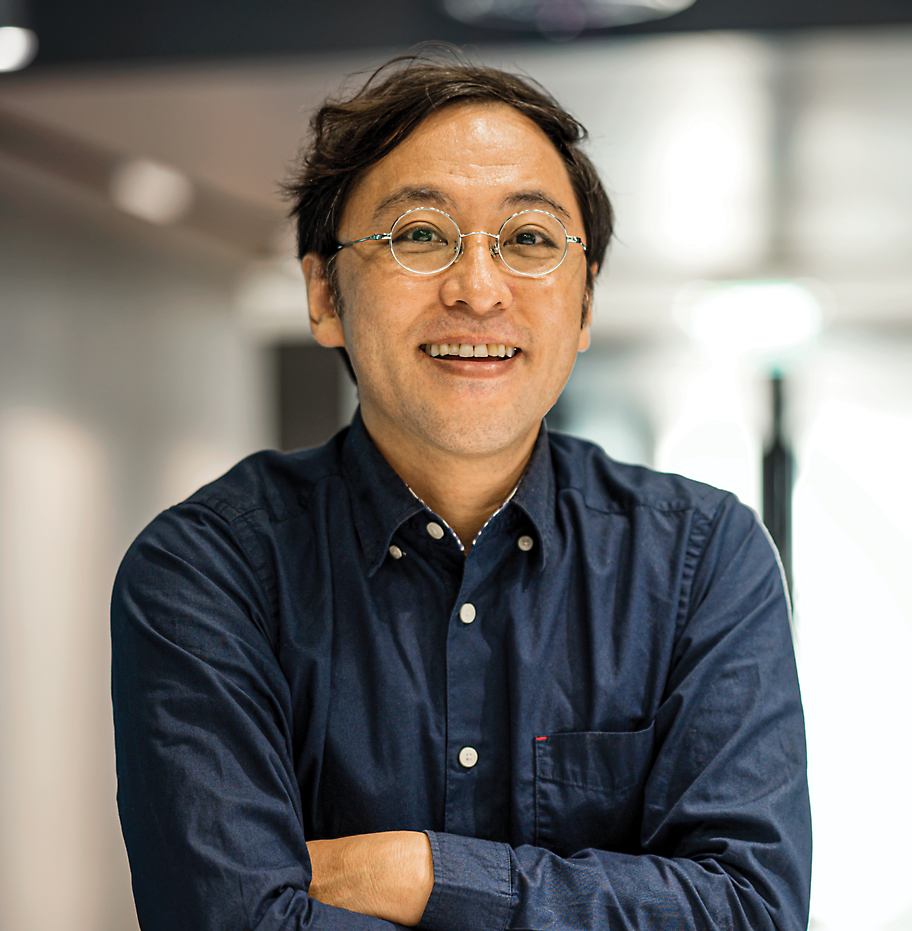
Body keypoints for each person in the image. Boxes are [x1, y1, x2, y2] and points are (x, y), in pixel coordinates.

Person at [110, 52, 810, 931]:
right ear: (325, 293)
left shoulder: (700, 560)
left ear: (585, 304)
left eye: (527, 241)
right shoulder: (209, 574)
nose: (478, 290)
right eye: (418, 235)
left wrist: (419, 871)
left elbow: (749, 912)